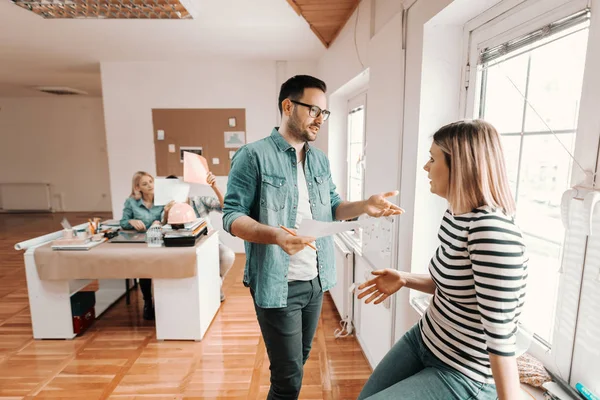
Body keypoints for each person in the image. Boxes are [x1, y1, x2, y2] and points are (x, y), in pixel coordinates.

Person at [222, 75, 404, 400]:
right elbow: (232, 217)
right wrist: (275, 235)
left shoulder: (319, 160)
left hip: (316, 282)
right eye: (314, 110)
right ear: (288, 106)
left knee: (297, 364)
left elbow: (333, 206)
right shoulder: (253, 156)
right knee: (288, 381)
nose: (320, 119)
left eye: (325, 112)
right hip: (278, 285)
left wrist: (366, 205)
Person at [356, 120, 528, 400]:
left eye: (432, 158)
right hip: (426, 338)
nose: (426, 167)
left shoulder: (492, 232)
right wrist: (404, 277)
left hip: (464, 371)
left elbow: (501, 337)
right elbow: (454, 284)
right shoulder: (456, 215)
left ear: (460, 166)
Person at [165, 173, 235, 301]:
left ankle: (217, 282)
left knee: (228, 255)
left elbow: (225, 208)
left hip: (209, 244)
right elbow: (165, 230)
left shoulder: (197, 201)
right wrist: (166, 213)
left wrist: (215, 187)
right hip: (186, 249)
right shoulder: (168, 207)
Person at [120, 171, 165, 320]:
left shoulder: (162, 199)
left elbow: (169, 220)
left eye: (151, 182)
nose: (150, 186)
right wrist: (131, 222)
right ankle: (147, 301)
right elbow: (123, 222)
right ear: (138, 187)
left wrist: (161, 222)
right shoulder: (131, 202)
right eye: (145, 184)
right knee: (144, 269)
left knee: (163, 267)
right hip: (140, 243)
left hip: (159, 241)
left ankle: (162, 301)